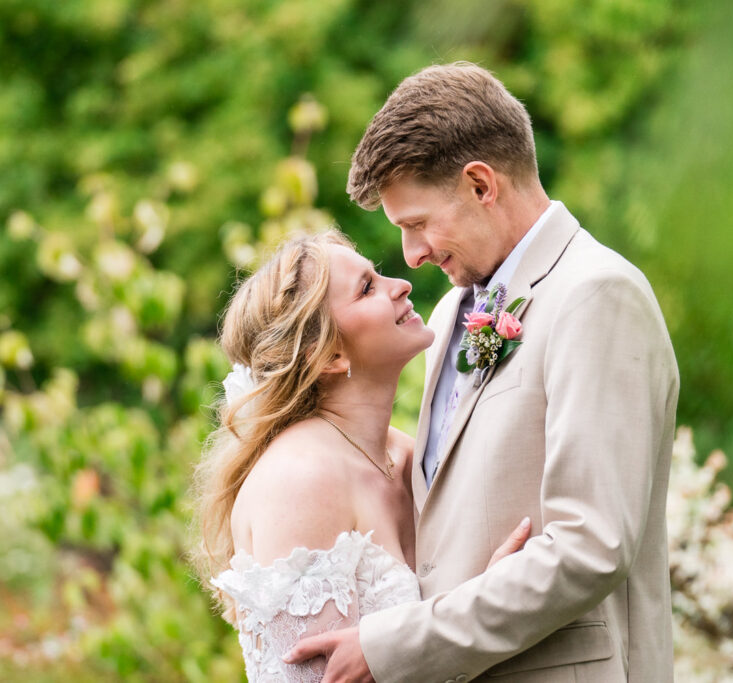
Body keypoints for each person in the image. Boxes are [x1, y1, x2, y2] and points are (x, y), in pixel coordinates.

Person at [284, 62, 679, 682]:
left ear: (480, 184)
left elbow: (591, 547)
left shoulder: (596, 295)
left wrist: (397, 645)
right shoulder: (450, 312)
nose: (412, 255)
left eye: (416, 223)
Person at [193, 230, 530, 683]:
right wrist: (492, 606)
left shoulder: (407, 455)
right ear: (328, 354)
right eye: (368, 288)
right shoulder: (299, 480)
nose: (401, 284)